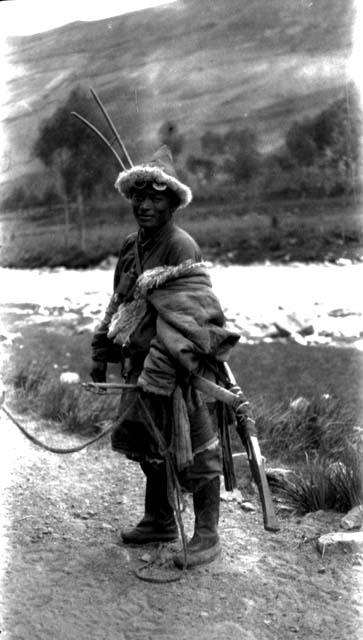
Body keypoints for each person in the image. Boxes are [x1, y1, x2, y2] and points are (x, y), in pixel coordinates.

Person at [90, 146, 239, 568]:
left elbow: (193, 317)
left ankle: (207, 535)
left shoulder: (180, 246)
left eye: (156, 197)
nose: (145, 204)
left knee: (196, 448)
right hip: (139, 365)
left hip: (178, 368)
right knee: (145, 442)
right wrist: (102, 349)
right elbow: (118, 301)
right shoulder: (130, 246)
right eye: (139, 196)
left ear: (173, 203)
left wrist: (158, 369)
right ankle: (159, 519)